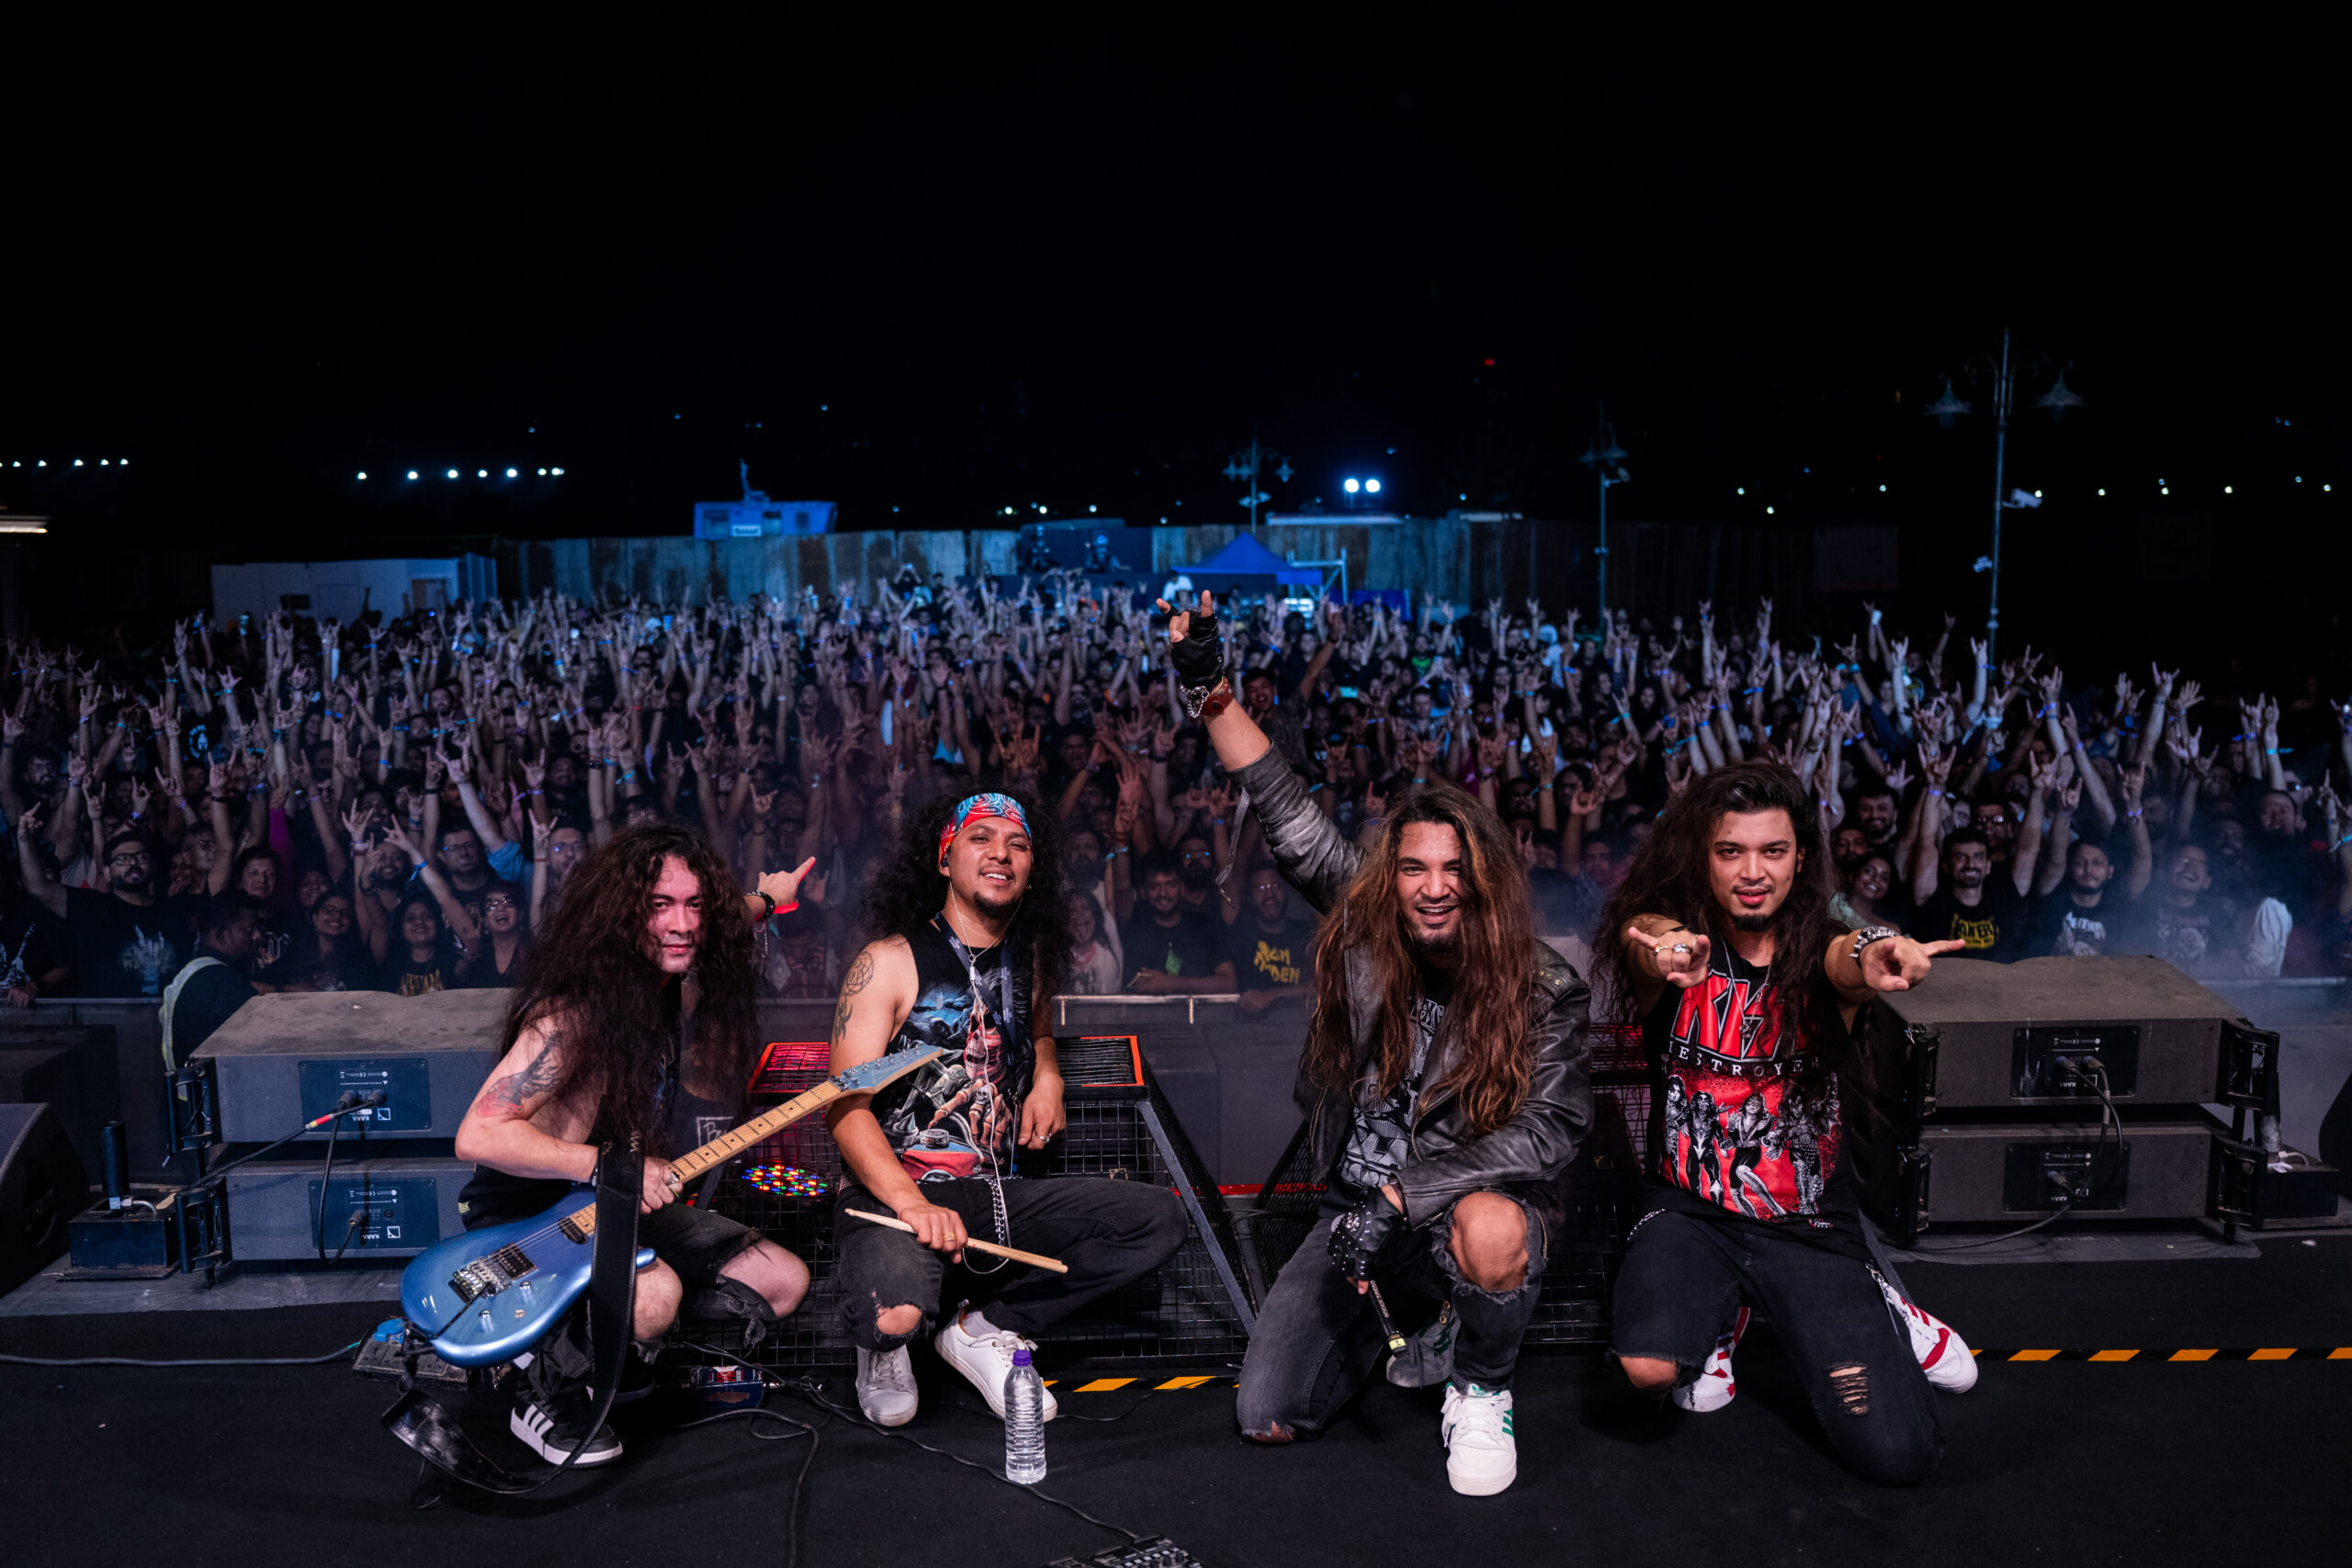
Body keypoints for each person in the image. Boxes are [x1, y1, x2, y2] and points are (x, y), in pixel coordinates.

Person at [1164, 591, 1592, 1498]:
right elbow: (1282, 806)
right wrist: (1210, 689)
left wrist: (1403, 1198)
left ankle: (1481, 1381)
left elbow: (1545, 1136)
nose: (1433, 888)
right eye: (1413, 869)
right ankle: (1410, 1314)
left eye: (1452, 870)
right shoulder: (1366, 932)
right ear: (1388, 878)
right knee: (1268, 1412)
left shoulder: (1543, 986)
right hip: (1353, 1211)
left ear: (1482, 880)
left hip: (1446, 1206)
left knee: (1488, 1227)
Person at [1597, 761, 1976, 1488]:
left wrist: (1878, 952)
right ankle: (1724, 1310)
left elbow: (1847, 959)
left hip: (1804, 1221)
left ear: (1800, 856)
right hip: (1688, 1208)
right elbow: (1645, 931)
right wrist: (1666, 943)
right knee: (1647, 1370)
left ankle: (1883, 1306)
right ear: (1699, 856)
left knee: (1898, 1456)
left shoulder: (1820, 944)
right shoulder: (1675, 949)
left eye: (1772, 850)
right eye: (1730, 851)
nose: (1752, 871)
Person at [452, 822, 816, 1467]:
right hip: (536, 1220)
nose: (682, 923)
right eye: (659, 906)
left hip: (617, 1196)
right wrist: (608, 1164)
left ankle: (619, 1349)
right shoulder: (574, 1015)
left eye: (693, 903)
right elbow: (477, 1134)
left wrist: (771, 898)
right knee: (655, 1296)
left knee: (782, 1280)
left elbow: (725, 915)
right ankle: (541, 1380)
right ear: (624, 917)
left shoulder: (670, 966)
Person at [825, 789, 1187, 1430]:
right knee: (896, 1316)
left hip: (994, 1196)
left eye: (1017, 844)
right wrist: (912, 1204)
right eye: (981, 838)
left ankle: (984, 1327)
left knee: (1158, 1220)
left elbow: (1036, 1021)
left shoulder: (1030, 959)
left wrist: (1047, 1068)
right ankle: (886, 1342)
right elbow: (845, 1111)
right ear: (944, 858)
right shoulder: (888, 962)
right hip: (895, 1198)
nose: (1001, 853)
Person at [15, 812, 199, 998]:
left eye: (141, 857)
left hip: (165, 1022)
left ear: (153, 867)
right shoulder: (91, 906)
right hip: (105, 1022)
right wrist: (24, 841)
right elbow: (38, 887)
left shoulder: (174, 912)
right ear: (107, 873)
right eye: (122, 859)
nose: (133, 863)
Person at [159, 897, 260, 1067]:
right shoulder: (225, 983)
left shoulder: (191, 971)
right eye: (249, 930)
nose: (258, 936)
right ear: (222, 935)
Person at [1120, 848, 1234, 993]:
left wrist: (1170, 983)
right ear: (1143, 892)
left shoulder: (1207, 926)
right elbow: (1121, 887)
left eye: (1170, 884)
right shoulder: (1134, 930)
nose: (1163, 893)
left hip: (1203, 1014)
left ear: (1182, 888)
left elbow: (1229, 982)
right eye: (1154, 886)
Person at [1227, 862, 1317, 1013]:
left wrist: (1273, 995)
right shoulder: (1241, 935)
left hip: (1297, 1024)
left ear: (1286, 891)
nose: (1269, 894)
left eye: (1276, 886)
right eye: (1261, 888)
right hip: (1249, 1028)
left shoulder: (1305, 934)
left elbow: (1321, 986)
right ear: (1249, 897)